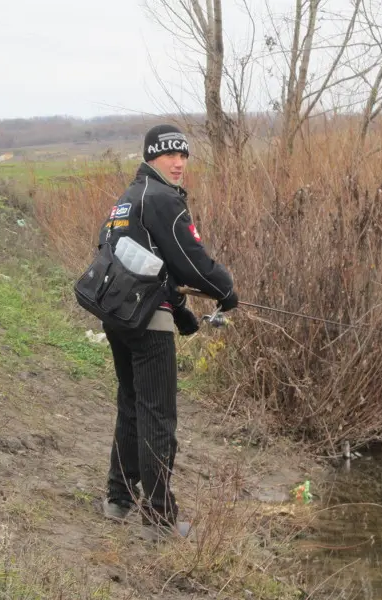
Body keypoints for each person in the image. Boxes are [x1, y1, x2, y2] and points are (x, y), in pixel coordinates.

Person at [97, 124, 238, 541]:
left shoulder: (128, 199)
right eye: (168, 155)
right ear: (150, 157)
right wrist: (226, 291)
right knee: (159, 415)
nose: (178, 163)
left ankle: (118, 499)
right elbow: (191, 262)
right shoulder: (162, 199)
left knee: (132, 406)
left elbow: (146, 262)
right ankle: (159, 517)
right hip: (146, 321)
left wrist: (181, 311)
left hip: (118, 315)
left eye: (183, 155)